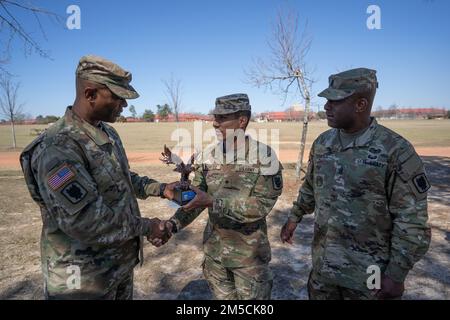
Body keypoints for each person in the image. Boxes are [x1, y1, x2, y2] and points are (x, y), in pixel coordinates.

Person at [20, 55, 176, 299]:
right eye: (117, 96)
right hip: (83, 282)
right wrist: (148, 226)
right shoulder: (57, 148)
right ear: (90, 94)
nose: (124, 104)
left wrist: (161, 188)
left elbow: (121, 178)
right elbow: (86, 221)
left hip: (116, 269)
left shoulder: (107, 133)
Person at [280, 68, 431, 300]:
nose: (326, 107)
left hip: (370, 278)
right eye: (326, 101)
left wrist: (396, 275)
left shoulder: (395, 151)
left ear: (360, 104)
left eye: (335, 101)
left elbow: (411, 220)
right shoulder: (323, 144)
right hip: (324, 270)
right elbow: (311, 186)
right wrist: (294, 217)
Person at [158, 94, 283, 299]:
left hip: (248, 260)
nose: (215, 123)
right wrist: (173, 225)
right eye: (215, 117)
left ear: (242, 121)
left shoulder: (265, 156)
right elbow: (196, 199)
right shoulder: (208, 156)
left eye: (223, 118)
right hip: (215, 256)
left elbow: (260, 206)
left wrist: (213, 202)